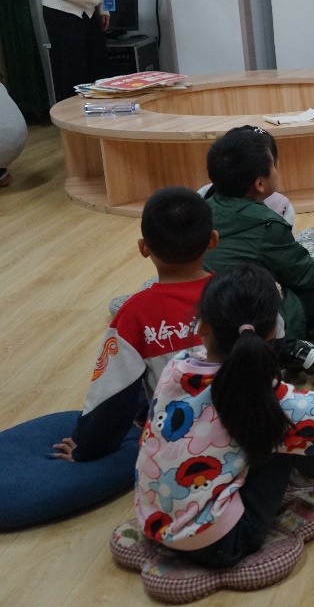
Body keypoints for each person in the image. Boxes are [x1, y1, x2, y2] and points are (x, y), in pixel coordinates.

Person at [133, 265, 314, 567]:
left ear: (201, 327)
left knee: (271, 424)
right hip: (225, 543)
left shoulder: (175, 368)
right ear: (273, 332)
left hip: (154, 520)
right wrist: (286, 397)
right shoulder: (259, 394)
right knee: (295, 426)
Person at [52, 188, 214, 463]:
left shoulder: (134, 314)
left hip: (180, 443)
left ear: (143, 248)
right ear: (213, 240)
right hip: (249, 426)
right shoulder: (242, 291)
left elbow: (111, 395)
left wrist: (87, 447)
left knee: (134, 380)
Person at [203, 127, 314, 340]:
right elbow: (300, 273)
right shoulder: (267, 223)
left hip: (209, 307)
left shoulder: (204, 205)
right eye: (274, 165)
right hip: (251, 319)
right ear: (260, 183)